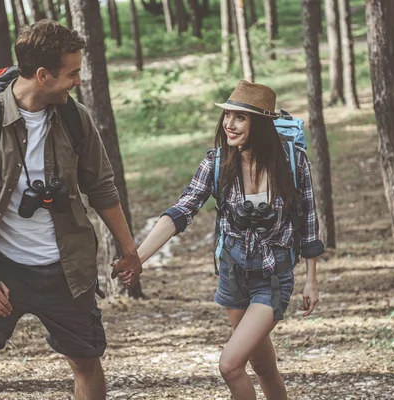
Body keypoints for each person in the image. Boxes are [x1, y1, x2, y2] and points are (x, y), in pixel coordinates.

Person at [0, 21, 141, 400]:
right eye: (72, 73)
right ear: (43, 75)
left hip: (66, 268)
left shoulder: (76, 118)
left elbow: (102, 189)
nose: (78, 80)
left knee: (86, 363)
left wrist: (129, 250)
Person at [122, 81, 324, 399]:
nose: (229, 123)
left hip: (273, 277)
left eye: (240, 117)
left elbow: (309, 222)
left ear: (260, 123)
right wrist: (137, 257)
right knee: (262, 365)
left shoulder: (292, 162)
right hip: (233, 275)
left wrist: (311, 280)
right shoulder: (217, 162)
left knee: (230, 365)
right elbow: (180, 211)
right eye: (227, 115)